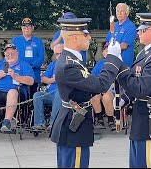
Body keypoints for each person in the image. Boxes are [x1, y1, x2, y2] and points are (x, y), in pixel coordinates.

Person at [50, 17, 123, 168]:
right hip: (73, 127)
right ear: (75, 38)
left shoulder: (73, 60)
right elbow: (100, 85)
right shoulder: (69, 65)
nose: (89, 37)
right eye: (86, 34)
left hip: (75, 123)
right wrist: (112, 58)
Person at [115, 13, 151, 168]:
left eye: (142, 30)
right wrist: (124, 99)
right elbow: (136, 79)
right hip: (142, 114)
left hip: (150, 117)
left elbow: (141, 88)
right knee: (137, 161)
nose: (138, 32)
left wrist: (119, 68)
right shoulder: (145, 53)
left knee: (146, 162)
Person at [12, 17, 45, 99]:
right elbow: (12, 56)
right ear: (21, 28)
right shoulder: (15, 41)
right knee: (18, 97)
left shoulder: (38, 41)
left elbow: (41, 58)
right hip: (19, 73)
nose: (26, 28)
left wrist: (31, 66)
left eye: (29, 26)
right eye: (24, 26)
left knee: (33, 98)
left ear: (32, 28)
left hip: (34, 74)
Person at [31, 49, 62, 131]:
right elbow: (43, 78)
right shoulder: (53, 65)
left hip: (64, 95)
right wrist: (52, 80)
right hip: (50, 93)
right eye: (57, 54)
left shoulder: (71, 65)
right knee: (37, 95)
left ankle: (53, 123)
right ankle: (39, 123)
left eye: (61, 53)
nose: (59, 55)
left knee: (58, 94)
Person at [90, 45, 116, 130]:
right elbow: (93, 76)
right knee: (94, 96)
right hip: (99, 85)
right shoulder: (100, 63)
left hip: (112, 87)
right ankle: (99, 119)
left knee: (106, 97)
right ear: (103, 53)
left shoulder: (117, 63)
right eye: (106, 51)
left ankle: (110, 119)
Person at [104, 3, 137, 67]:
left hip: (122, 63)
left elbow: (124, 45)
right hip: (110, 60)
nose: (119, 13)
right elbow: (107, 41)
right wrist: (105, 49)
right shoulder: (114, 25)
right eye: (118, 11)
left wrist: (110, 50)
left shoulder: (130, 27)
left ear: (127, 13)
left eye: (122, 11)